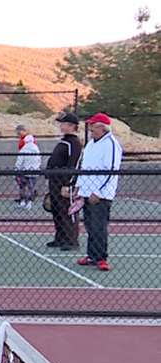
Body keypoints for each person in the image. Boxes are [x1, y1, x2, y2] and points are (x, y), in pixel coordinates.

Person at [72, 112, 123, 271]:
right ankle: (92, 255)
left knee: (99, 226)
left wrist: (99, 192)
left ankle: (101, 257)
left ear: (102, 127)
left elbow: (111, 170)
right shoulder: (91, 144)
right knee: (90, 225)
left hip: (101, 194)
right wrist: (79, 188)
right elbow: (84, 167)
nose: (91, 129)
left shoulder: (111, 144)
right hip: (87, 192)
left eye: (93, 126)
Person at [46, 112, 83, 249]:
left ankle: (71, 240)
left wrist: (68, 184)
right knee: (57, 210)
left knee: (67, 211)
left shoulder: (74, 143)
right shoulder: (64, 142)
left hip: (64, 184)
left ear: (72, 126)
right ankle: (60, 238)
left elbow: (74, 164)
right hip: (55, 182)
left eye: (64, 123)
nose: (61, 126)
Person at [14, 131, 41, 208]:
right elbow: (39, 160)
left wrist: (17, 170)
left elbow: (19, 161)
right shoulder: (37, 150)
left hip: (24, 171)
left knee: (22, 187)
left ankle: (22, 201)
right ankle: (29, 203)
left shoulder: (23, 149)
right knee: (31, 187)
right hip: (34, 171)